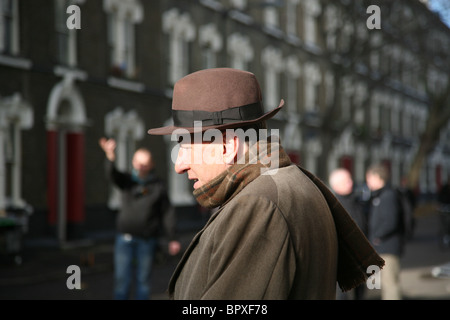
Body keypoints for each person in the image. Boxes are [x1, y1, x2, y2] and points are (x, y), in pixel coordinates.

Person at [148, 68, 384, 299]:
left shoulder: (259, 205)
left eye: (186, 147)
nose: (179, 165)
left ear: (226, 147)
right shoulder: (285, 184)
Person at [99, 137, 181, 300]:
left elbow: (167, 212)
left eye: (144, 163)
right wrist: (110, 155)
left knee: (143, 282)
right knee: (122, 280)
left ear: (151, 165)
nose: (140, 167)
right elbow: (112, 174)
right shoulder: (128, 181)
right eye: (137, 162)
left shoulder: (158, 186)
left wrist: (172, 238)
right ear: (133, 162)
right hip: (124, 239)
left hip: (147, 240)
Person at [328, 168, 368, 300]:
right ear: (336, 185)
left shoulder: (357, 201)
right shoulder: (331, 205)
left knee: (360, 289)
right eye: (346, 181)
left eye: (350, 179)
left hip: (359, 253)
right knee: (342, 291)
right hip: (342, 255)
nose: (351, 183)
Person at [365, 162, 403, 300]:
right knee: (374, 284)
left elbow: (390, 222)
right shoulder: (378, 196)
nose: (367, 181)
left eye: (369, 178)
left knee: (390, 284)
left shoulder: (388, 196)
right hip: (378, 247)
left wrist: (376, 237)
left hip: (387, 248)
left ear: (377, 177)